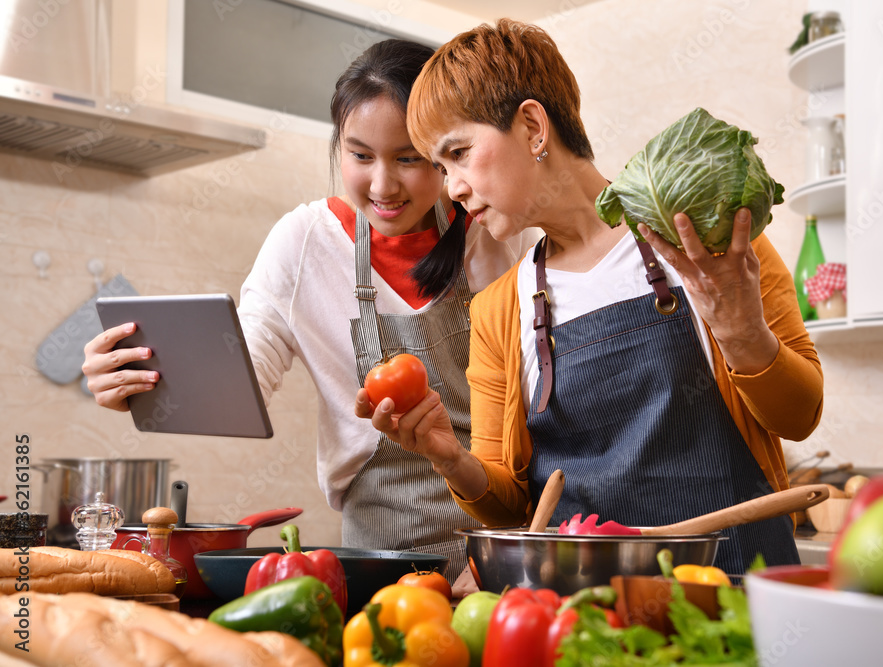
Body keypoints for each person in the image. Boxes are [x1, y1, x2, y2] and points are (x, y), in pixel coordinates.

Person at [359, 19, 824, 575]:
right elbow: (510, 507)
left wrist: (744, 335)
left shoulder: (700, 234)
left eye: (459, 152)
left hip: (730, 593)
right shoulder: (498, 310)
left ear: (533, 125)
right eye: (440, 167)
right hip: (583, 612)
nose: (453, 188)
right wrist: (449, 457)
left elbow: (801, 415)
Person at [81, 39, 538, 583]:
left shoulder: (494, 231)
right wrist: (143, 381)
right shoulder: (304, 243)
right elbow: (241, 377)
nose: (383, 185)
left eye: (409, 158)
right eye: (360, 155)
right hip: (379, 561)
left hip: (507, 546)